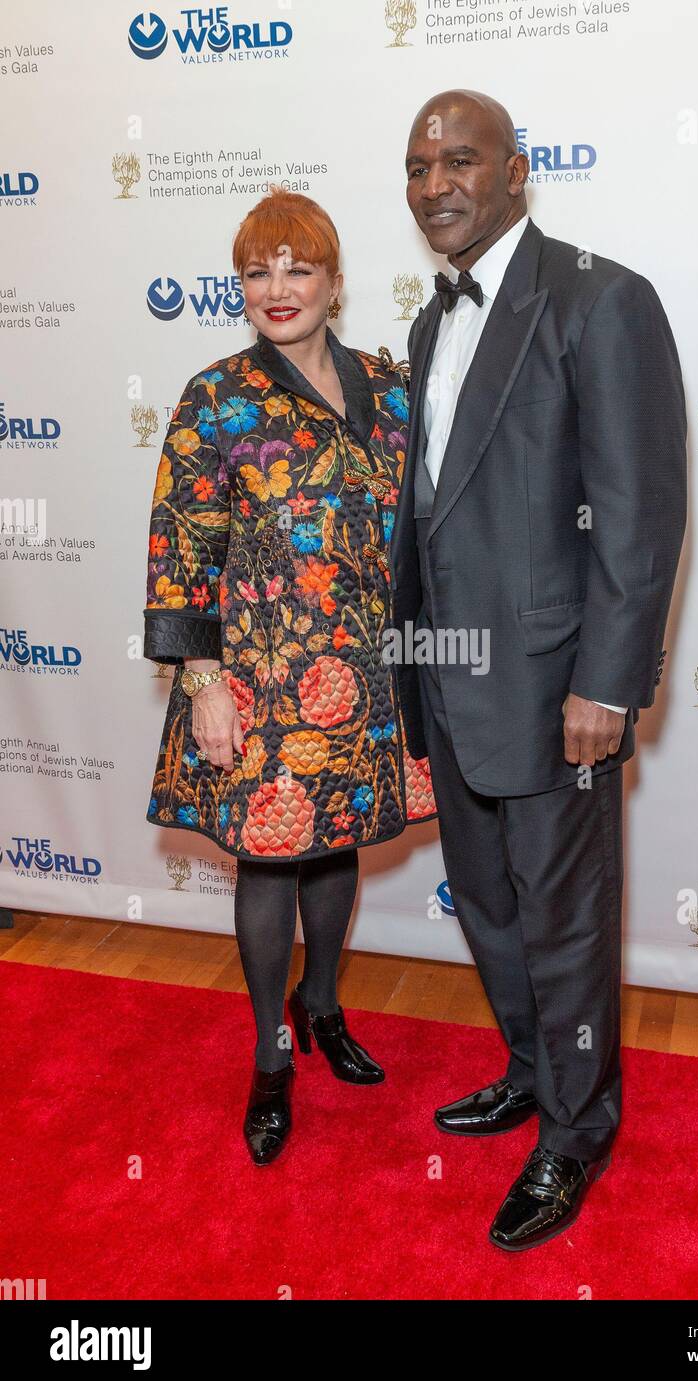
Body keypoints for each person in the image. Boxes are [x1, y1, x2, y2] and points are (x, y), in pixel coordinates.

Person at [390, 91, 687, 1251]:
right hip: (448, 678)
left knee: (563, 922)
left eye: (459, 160)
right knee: (494, 909)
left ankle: (577, 1127)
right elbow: (434, 515)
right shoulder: (428, 323)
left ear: (518, 171)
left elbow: (636, 511)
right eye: (416, 165)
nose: (434, 184)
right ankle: (531, 1072)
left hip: (554, 686)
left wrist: (603, 687)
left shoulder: (598, 297)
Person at [143, 187, 436, 1167]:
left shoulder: (388, 389)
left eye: (297, 267)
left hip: (363, 672)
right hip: (260, 675)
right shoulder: (216, 395)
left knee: (334, 842)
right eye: (257, 271)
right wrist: (202, 679)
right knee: (270, 856)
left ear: (334, 281)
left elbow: (422, 527)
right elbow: (182, 541)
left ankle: (322, 1002)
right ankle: (272, 1054)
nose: (277, 288)